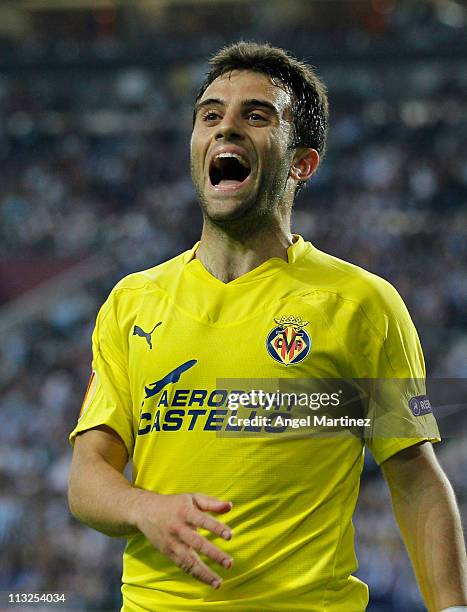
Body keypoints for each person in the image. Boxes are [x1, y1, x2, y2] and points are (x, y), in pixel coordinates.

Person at [68, 42, 467, 611]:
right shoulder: (132, 301)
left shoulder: (362, 303)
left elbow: (415, 478)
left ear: (303, 162)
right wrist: (143, 508)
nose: (226, 127)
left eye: (256, 115)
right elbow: (87, 478)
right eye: (211, 115)